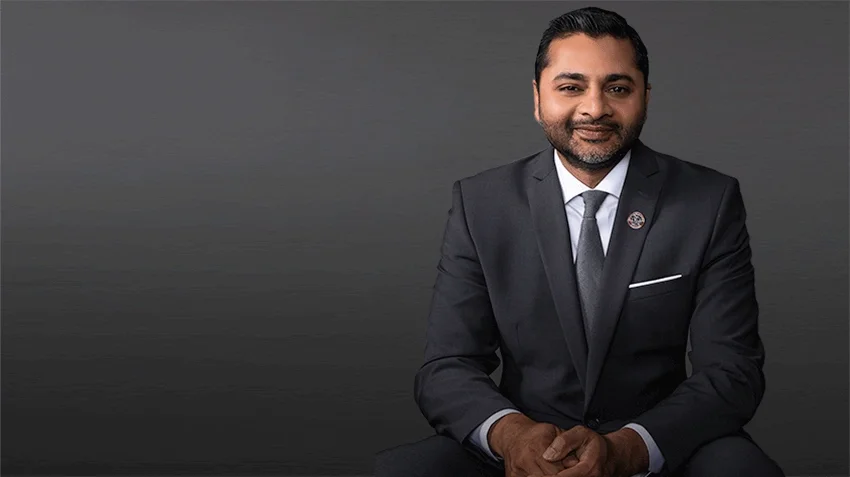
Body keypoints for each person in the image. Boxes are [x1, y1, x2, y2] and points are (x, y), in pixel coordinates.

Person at [375, 7, 784, 477]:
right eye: (571, 87)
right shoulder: (480, 203)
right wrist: (512, 438)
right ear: (537, 98)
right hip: (526, 447)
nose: (594, 108)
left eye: (618, 88)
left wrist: (628, 449)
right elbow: (447, 366)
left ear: (645, 97)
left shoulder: (707, 201)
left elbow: (732, 372)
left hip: (659, 445)